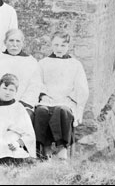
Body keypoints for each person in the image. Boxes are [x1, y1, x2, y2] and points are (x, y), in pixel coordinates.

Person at [35, 31, 89, 160]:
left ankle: (62, 148)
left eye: (63, 45)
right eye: (56, 45)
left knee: (62, 110)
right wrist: (44, 95)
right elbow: (37, 83)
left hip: (66, 100)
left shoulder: (75, 64)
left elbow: (81, 87)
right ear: (51, 45)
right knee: (42, 111)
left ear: (68, 46)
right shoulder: (43, 63)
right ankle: (45, 147)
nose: (59, 49)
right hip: (47, 99)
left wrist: (71, 98)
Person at [0, 29, 42, 123]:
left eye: (18, 41)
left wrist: (22, 104)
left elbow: (34, 86)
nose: (14, 44)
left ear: (23, 43)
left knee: (23, 119)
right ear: (5, 42)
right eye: (11, 40)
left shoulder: (31, 62)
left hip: (23, 105)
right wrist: (0, 99)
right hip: (1, 101)